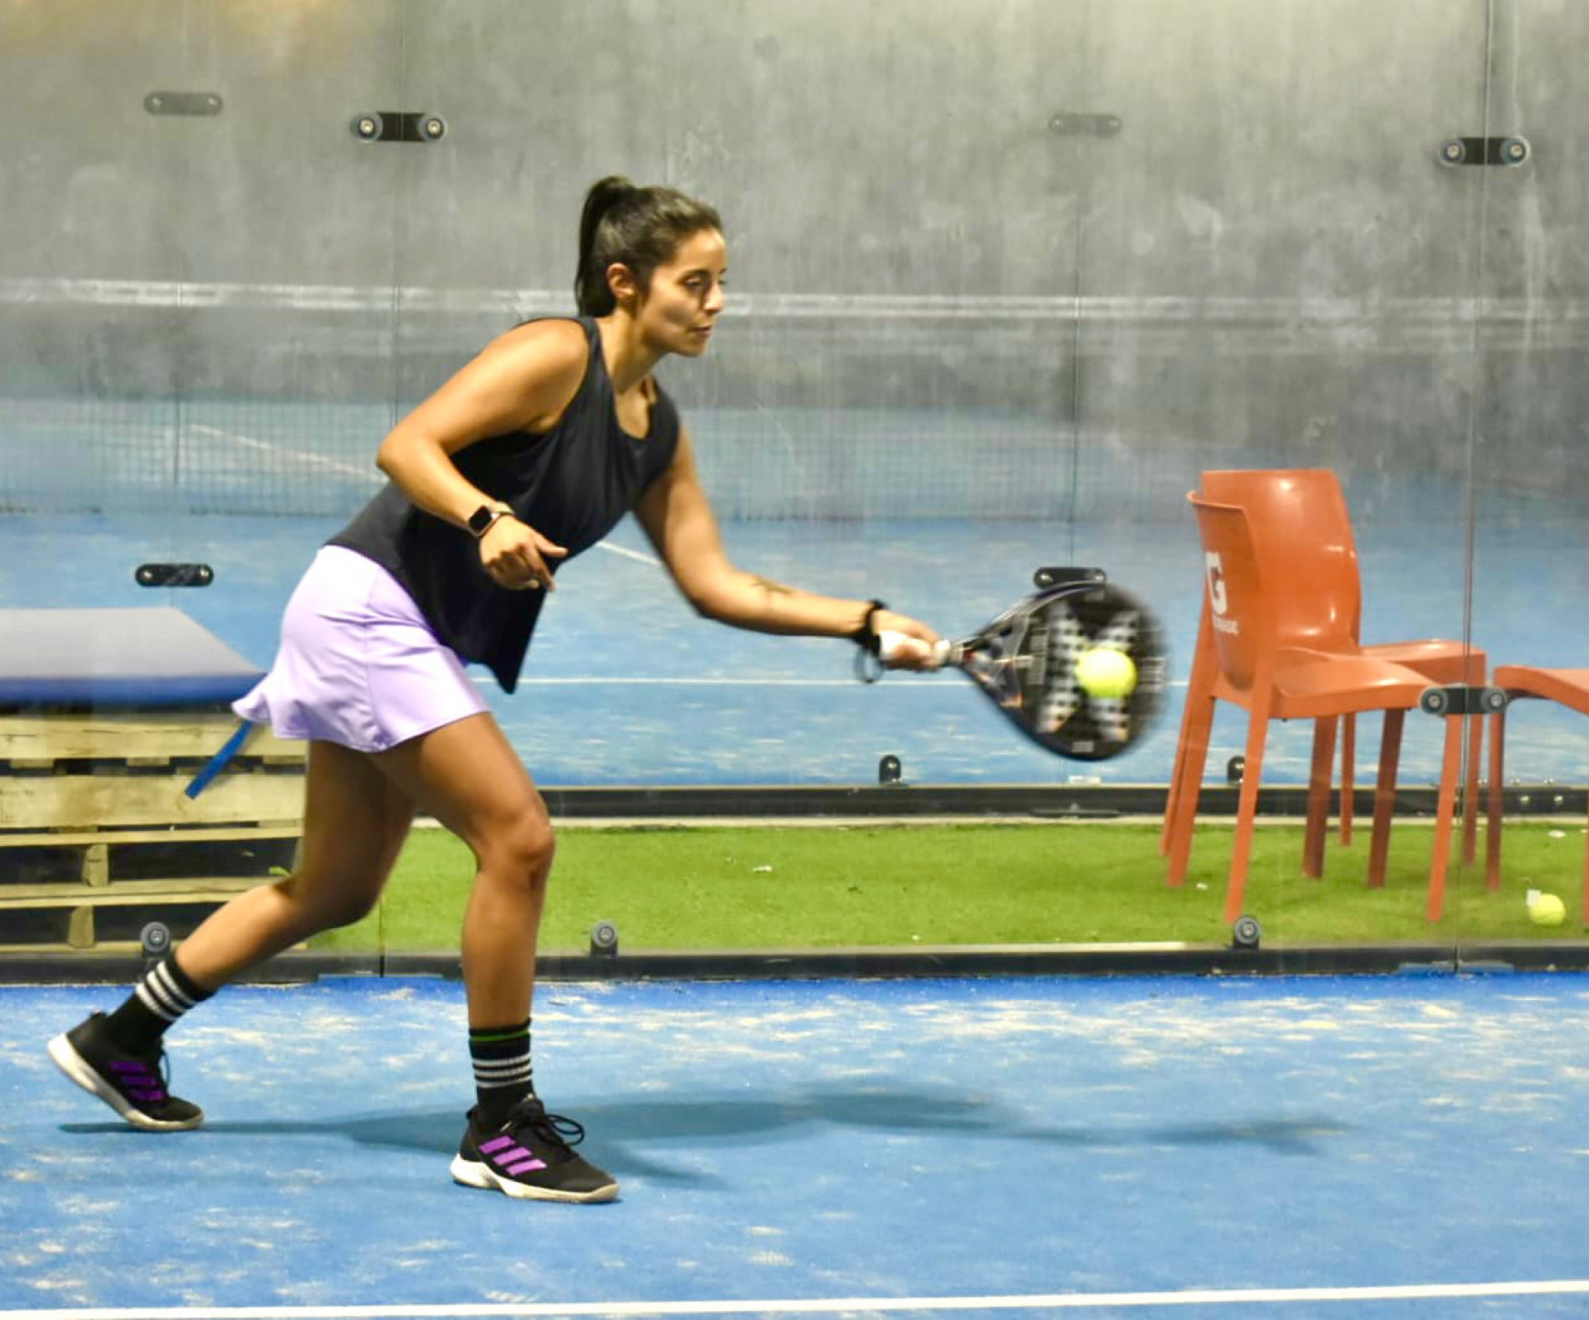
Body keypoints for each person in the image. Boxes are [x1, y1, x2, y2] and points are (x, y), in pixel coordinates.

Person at [47, 176, 942, 1204]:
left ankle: (120, 1038)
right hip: (367, 610)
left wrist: (865, 620)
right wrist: (487, 517)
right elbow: (407, 445)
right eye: (695, 283)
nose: (716, 303)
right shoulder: (556, 354)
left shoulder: (656, 431)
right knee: (518, 839)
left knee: (335, 889)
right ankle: (501, 1124)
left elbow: (714, 583)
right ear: (625, 282)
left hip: (394, 628)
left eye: (722, 283)